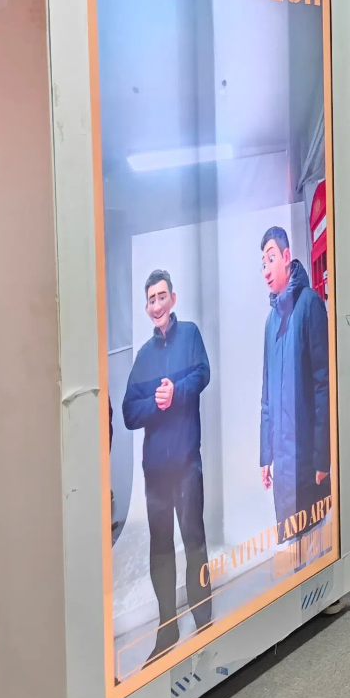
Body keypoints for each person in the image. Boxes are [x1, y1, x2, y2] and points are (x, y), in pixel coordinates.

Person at [121, 269, 213, 658]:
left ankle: (204, 620)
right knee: (160, 549)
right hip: (156, 474)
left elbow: (203, 374)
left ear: (173, 299)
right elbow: (129, 412)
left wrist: (176, 392)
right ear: (147, 308)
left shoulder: (190, 335)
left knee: (194, 541)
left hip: (187, 464)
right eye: (151, 300)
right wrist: (157, 405)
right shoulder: (143, 357)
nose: (157, 304)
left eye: (162, 296)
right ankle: (167, 629)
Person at [258, 226, 331, 569]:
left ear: (287, 257)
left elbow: (323, 384)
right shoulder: (270, 322)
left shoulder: (310, 305)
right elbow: (267, 395)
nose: (266, 269)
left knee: (315, 539)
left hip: (306, 458)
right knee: (291, 546)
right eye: (262, 263)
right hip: (283, 465)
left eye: (271, 258)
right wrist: (266, 454)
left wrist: (322, 457)